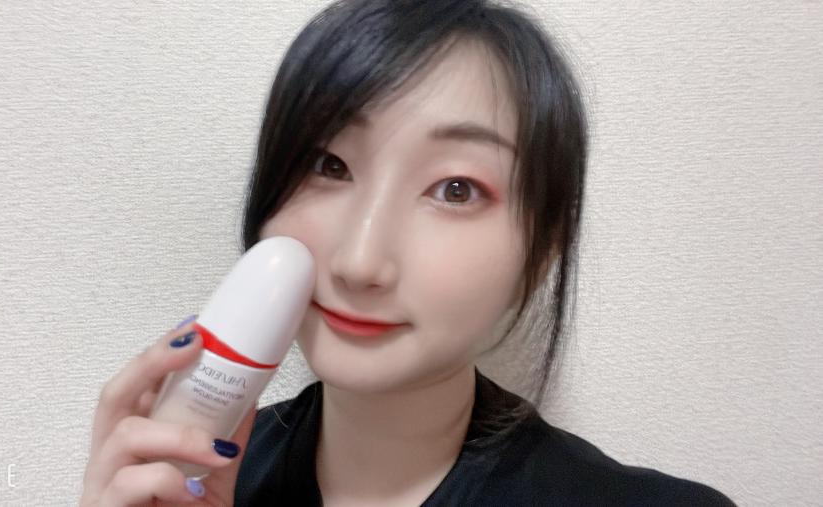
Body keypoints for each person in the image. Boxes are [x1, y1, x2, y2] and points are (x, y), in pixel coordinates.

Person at [81, 1, 737, 505]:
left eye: (456, 189)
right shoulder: (188, 478)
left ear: (541, 253)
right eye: (328, 164)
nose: (360, 262)